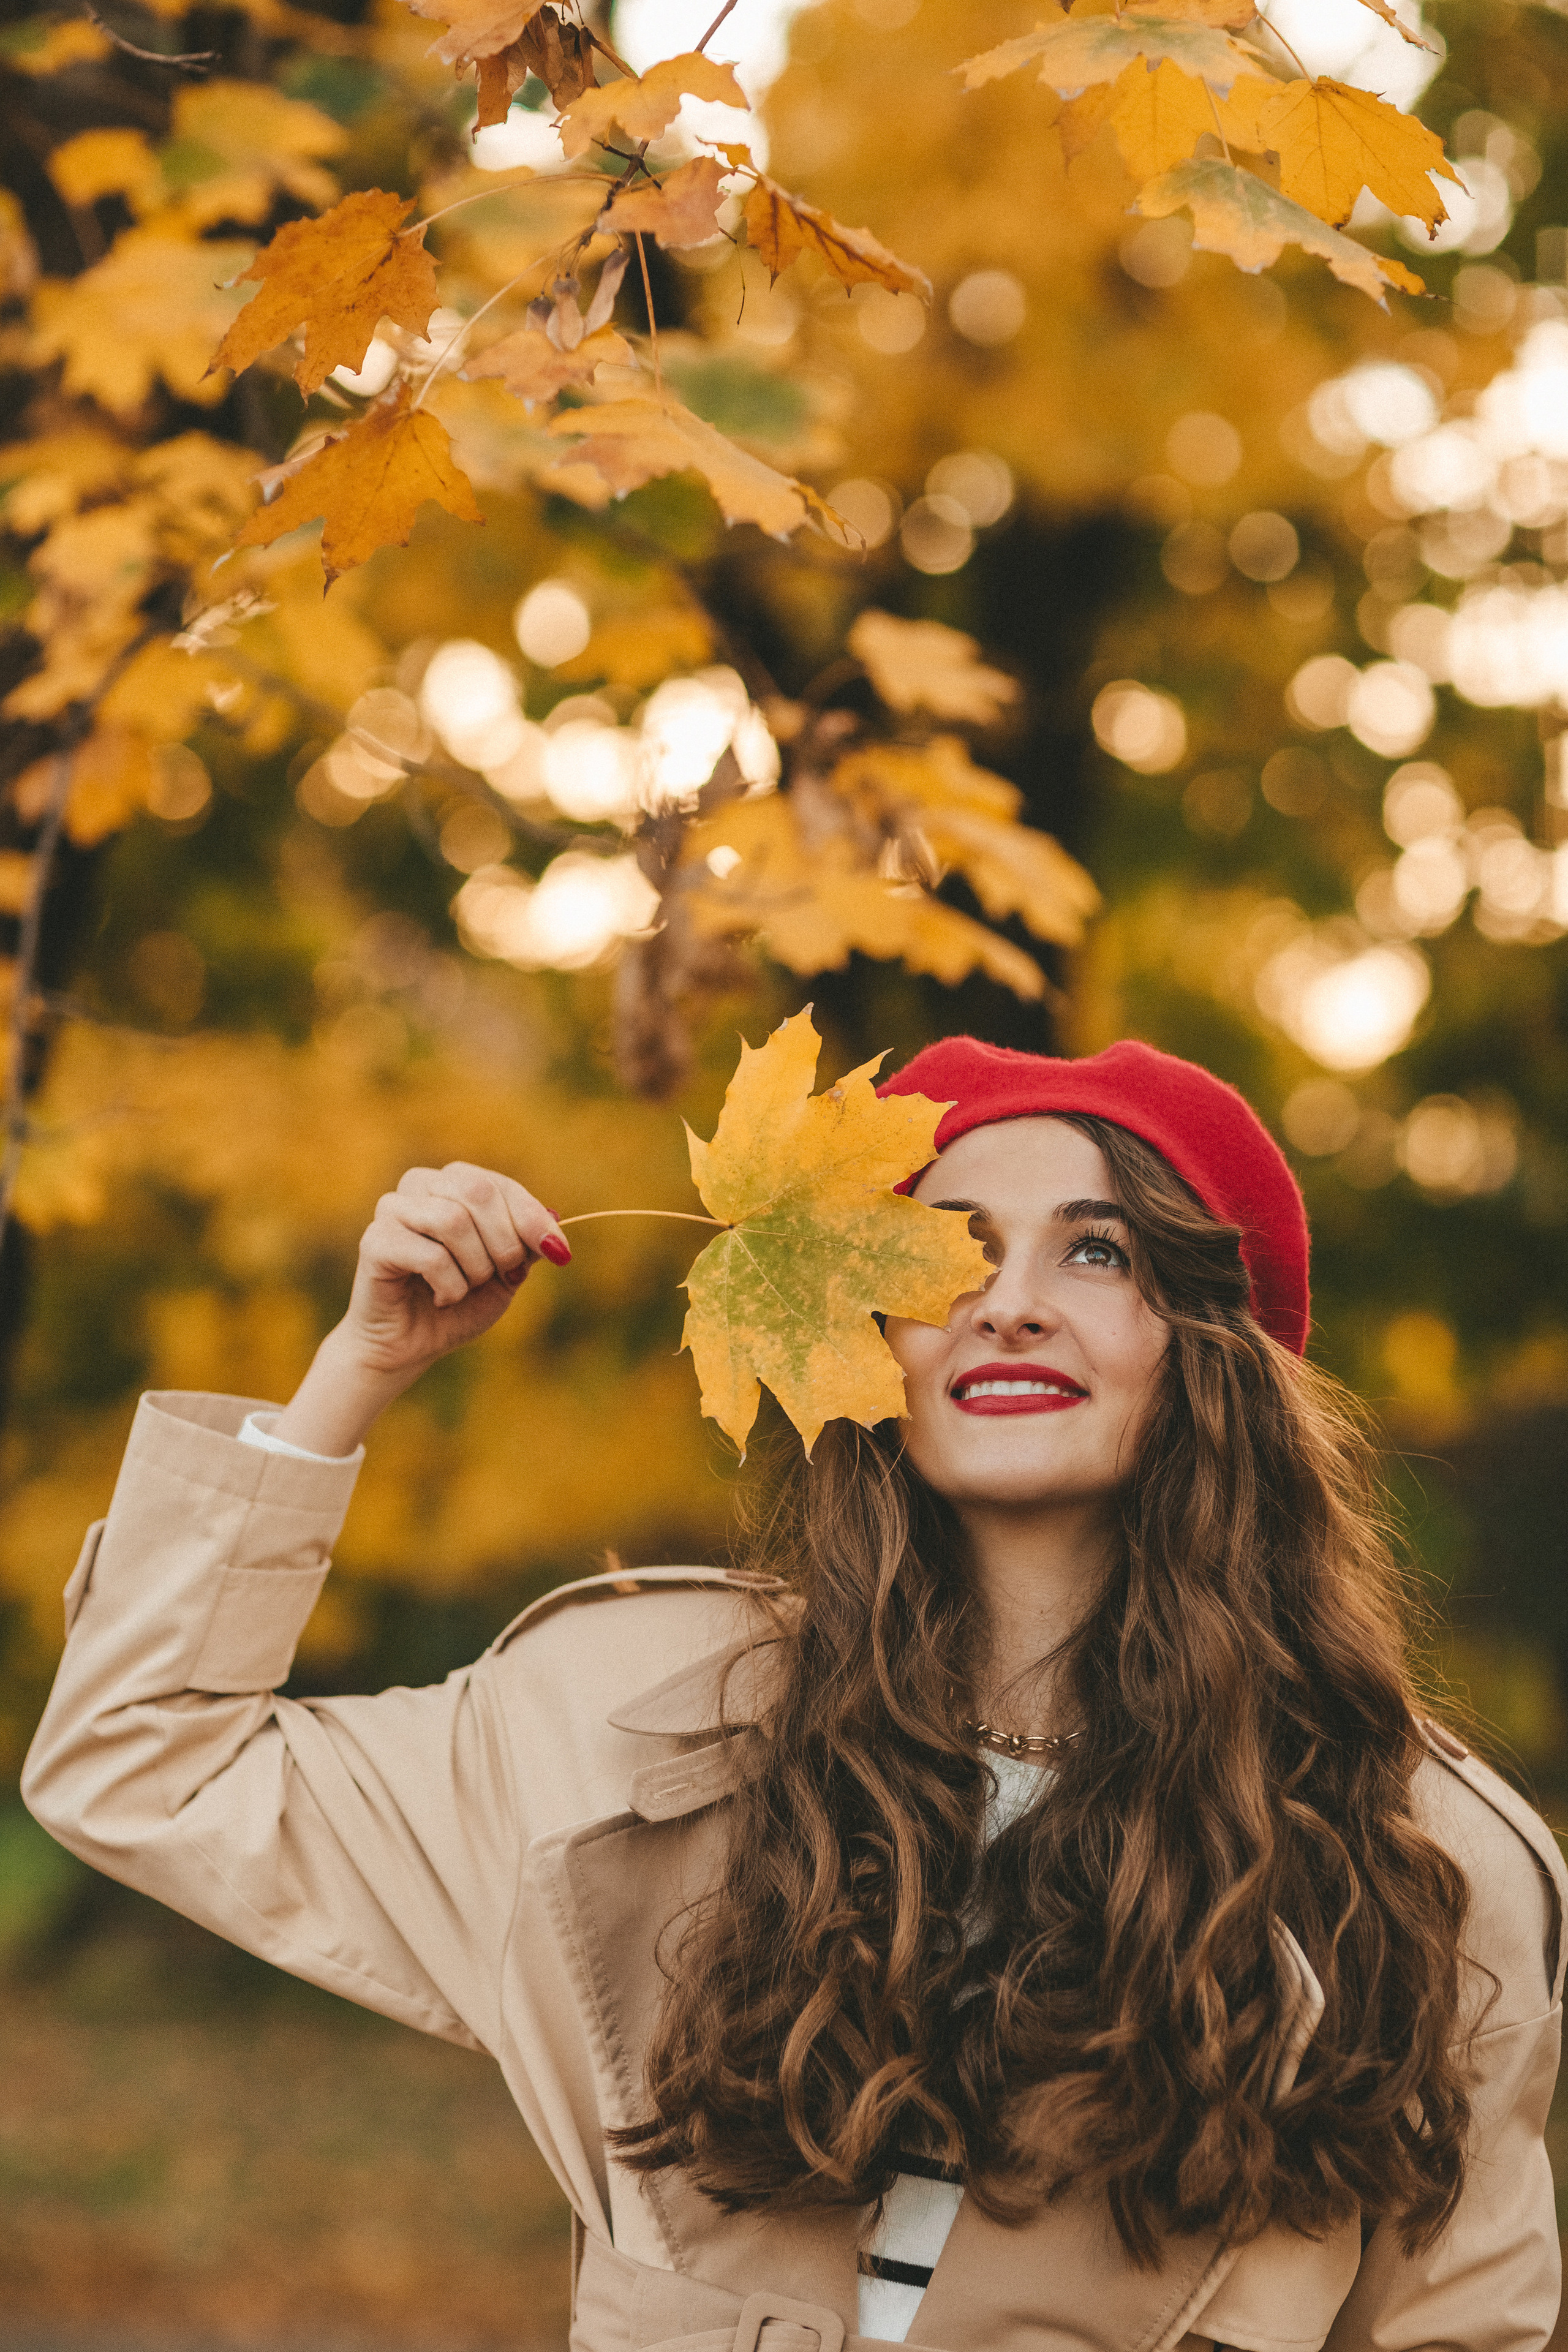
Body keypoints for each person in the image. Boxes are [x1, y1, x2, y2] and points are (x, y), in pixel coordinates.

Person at [21, 1036, 1566, 2352]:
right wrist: (354, 1374)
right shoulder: (618, 1726)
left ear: (1211, 1347)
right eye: (944, 1252)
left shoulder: (1414, 1866)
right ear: (858, 1332)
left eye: (1096, 1251)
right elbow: (141, 1764)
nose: (1007, 1304)